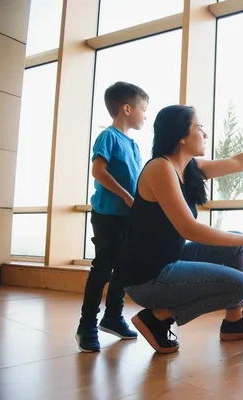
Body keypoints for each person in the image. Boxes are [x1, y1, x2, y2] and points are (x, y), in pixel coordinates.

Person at [116, 104, 243, 354]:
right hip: (147, 278)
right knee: (240, 285)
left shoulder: (189, 167)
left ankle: (233, 322)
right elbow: (189, 229)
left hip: (169, 260)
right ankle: (160, 316)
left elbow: (237, 162)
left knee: (237, 243)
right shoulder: (160, 168)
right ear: (181, 136)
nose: (205, 134)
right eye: (199, 128)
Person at [75, 81, 149, 352]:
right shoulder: (108, 137)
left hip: (128, 217)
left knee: (125, 267)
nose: (144, 115)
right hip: (108, 215)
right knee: (103, 268)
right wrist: (127, 198)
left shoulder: (134, 144)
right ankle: (86, 326)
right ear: (126, 109)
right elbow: (98, 171)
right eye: (143, 109)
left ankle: (113, 317)